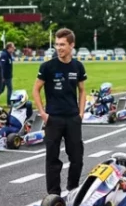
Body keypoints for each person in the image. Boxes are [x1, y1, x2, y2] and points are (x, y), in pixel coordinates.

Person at [33, 28, 87, 196]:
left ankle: (72, 190)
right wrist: (43, 113)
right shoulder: (47, 67)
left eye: (62, 45)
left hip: (72, 118)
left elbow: (82, 90)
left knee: (77, 158)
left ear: (72, 45)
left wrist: (81, 113)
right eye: (57, 44)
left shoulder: (78, 66)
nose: (59, 48)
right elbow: (36, 90)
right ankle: (54, 194)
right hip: (53, 118)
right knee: (52, 159)